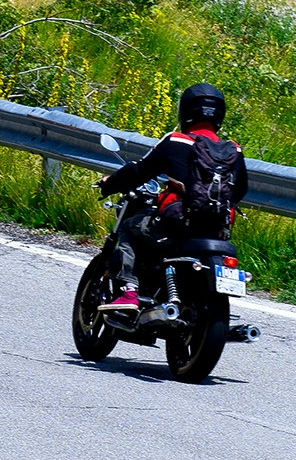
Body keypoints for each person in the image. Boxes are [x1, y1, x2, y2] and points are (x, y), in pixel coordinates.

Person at [96, 82, 247, 310]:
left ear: (185, 111)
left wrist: (111, 183)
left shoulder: (176, 141)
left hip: (178, 223)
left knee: (130, 227)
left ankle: (129, 291)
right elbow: (240, 189)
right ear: (220, 114)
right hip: (217, 229)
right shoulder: (233, 150)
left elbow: (139, 171)